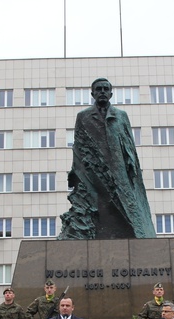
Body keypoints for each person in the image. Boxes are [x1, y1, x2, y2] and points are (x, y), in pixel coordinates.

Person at [58, 77, 156, 240]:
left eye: (105, 89)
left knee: (125, 205)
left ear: (111, 93)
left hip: (118, 169)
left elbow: (129, 144)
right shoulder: (83, 116)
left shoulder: (121, 115)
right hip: (94, 170)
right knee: (99, 206)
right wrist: (76, 172)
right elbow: (78, 144)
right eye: (98, 89)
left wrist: (131, 164)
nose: (102, 92)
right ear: (92, 93)